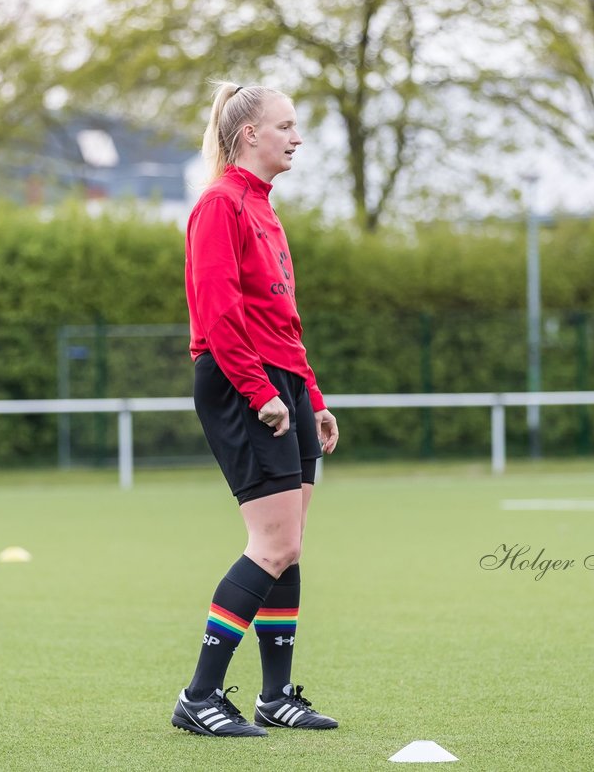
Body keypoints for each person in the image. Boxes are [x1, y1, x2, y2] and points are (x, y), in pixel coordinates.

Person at [170, 82, 340, 738]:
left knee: (288, 546)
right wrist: (260, 392)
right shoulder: (219, 205)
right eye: (286, 125)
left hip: (282, 380)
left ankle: (276, 697)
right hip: (243, 381)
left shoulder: (264, 208)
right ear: (249, 135)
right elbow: (220, 316)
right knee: (271, 544)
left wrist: (311, 398)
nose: (296, 137)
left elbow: (281, 320)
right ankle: (200, 695)